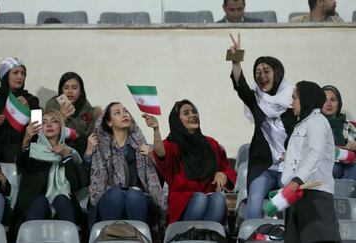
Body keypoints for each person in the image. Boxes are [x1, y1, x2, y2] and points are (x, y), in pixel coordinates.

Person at [228, 34, 297, 219]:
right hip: (264, 165)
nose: (261, 75)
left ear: (277, 73)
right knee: (255, 200)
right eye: (257, 72)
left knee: (288, 205)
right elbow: (240, 86)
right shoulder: (256, 99)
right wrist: (236, 61)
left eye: (266, 71)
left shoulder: (294, 100)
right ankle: (251, 236)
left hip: (290, 166)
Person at [143, 99, 236, 224]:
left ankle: (209, 236)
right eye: (186, 113)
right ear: (177, 120)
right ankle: (187, 235)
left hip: (209, 196)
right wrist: (156, 129)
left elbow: (227, 168)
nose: (192, 115)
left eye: (194, 112)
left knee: (219, 198)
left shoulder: (211, 144)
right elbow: (160, 153)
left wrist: (222, 173)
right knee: (199, 199)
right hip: (183, 202)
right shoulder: (171, 145)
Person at [9, 109, 84, 242]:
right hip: (33, 206)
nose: (49, 125)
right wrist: (26, 141)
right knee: (41, 200)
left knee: (61, 199)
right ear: (39, 128)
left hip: (63, 206)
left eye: (54, 121)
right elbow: (22, 164)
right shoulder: (31, 150)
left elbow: (77, 184)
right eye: (44, 122)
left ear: (61, 127)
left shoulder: (70, 151)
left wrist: (66, 157)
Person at [88, 102, 166, 225]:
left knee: (134, 195)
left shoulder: (141, 145)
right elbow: (93, 183)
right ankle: (109, 236)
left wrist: (152, 155)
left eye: (125, 111)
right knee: (115, 194)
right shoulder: (101, 149)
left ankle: (139, 236)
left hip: (139, 198)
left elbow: (159, 181)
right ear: (109, 122)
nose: (124, 114)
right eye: (117, 113)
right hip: (109, 199)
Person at [282, 81, 340, 243]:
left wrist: (296, 179)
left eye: (294, 98)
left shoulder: (317, 121)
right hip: (298, 194)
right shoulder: (304, 123)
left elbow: (315, 152)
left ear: (305, 98)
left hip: (315, 196)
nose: (291, 103)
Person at [45, 71, 102, 157]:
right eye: (66, 88)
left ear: (81, 91)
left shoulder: (89, 110)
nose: (70, 92)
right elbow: (47, 134)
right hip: (55, 150)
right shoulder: (52, 107)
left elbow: (89, 139)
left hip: (81, 152)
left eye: (74, 88)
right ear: (61, 90)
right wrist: (62, 117)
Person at [0, 57, 40, 164]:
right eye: (15, 73)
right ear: (6, 76)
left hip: (21, 147)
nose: (20, 77)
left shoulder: (31, 100)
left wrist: (27, 111)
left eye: (23, 73)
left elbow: (39, 129)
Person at [322, 85, 356, 180]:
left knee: (354, 168)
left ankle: (345, 194)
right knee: (335, 168)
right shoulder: (315, 124)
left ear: (339, 103)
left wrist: (354, 145)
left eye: (333, 100)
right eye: (325, 100)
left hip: (347, 163)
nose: (329, 104)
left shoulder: (348, 126)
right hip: (325, 164)